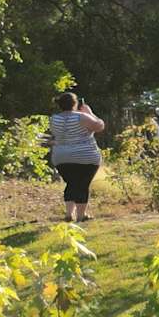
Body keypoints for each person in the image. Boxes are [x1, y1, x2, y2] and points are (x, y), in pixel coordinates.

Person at [47, 91, 105, 223]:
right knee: (82, 185)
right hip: (85, 156)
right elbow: (99, 126)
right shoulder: (81, 117)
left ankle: (69, 214)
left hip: (61, 157)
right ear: (75, 103)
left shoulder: (54, 119)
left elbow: (55, 135)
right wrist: (89, 113)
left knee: (71, 183)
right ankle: (80, 215)